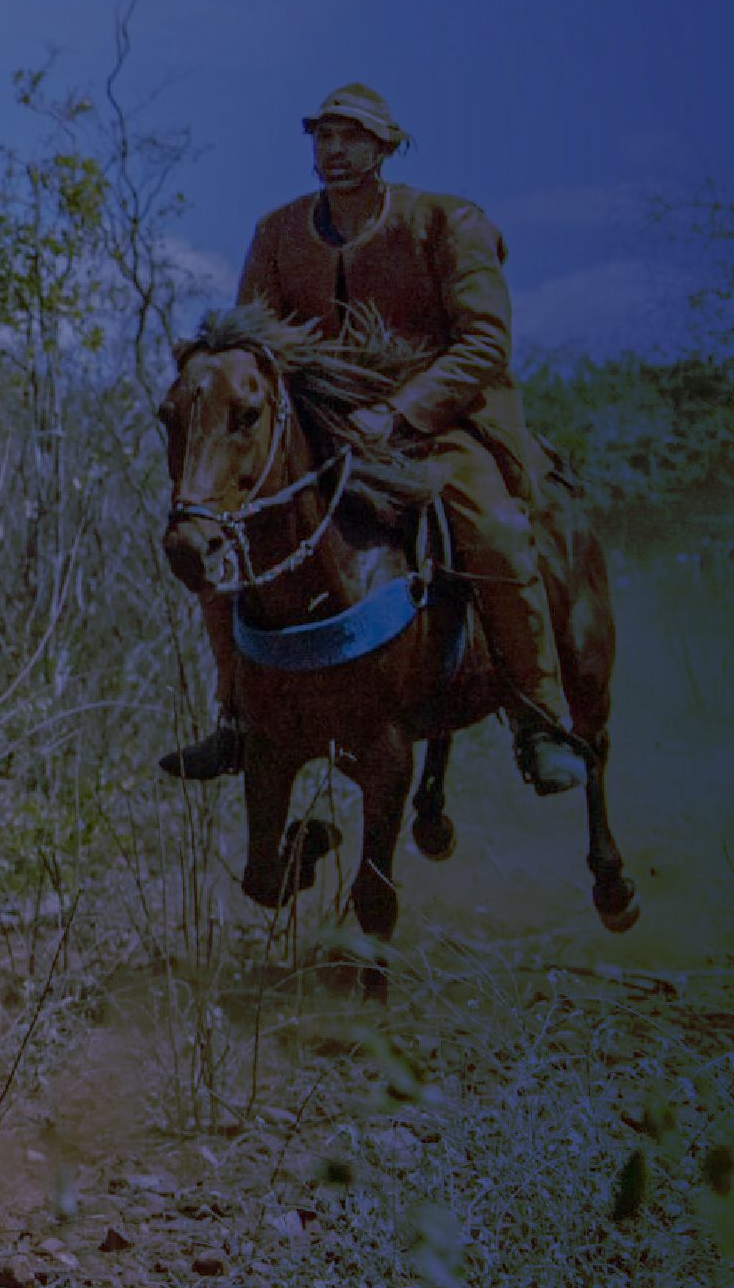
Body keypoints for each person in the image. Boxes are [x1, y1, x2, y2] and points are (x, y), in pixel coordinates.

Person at [159, 83, 590, 797]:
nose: (335, 151)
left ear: (385, 148)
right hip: (326, 437)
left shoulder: (447, 223)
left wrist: (398, 413)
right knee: (223, 537)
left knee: (498, 529)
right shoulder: (277, 232)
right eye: (324, 137)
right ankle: (236, 718)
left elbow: (485, 343)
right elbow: (248, 346)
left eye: (352, 137)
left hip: (442, 426)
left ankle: (539, 718)